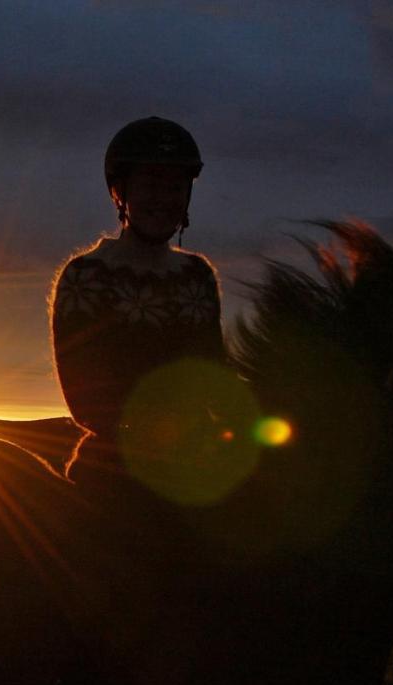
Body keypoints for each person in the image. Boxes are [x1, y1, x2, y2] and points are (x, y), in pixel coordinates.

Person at [50, 116, 233, 503]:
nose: (164, 199)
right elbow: (87, 402)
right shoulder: (86, 277)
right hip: (116, 470)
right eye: (151, 185)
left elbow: (214, 375)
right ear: (121, 193)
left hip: (194, 462)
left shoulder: (197, 277)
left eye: (175, 187)